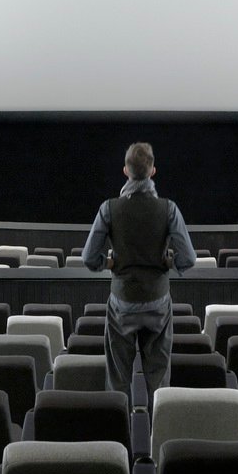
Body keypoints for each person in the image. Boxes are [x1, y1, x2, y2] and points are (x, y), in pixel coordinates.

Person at [81, 141, 197, 398]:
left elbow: (88, 258)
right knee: (159, 385)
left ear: (125, 171)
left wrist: (107, 263)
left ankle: (118, 434)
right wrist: (170, 262)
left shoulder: (108, 208)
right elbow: (188, 258)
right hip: (157, 302)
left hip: (122, 303)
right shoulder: (169, 209)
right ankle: (159, 433)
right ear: (153, 170)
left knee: (118, 383)